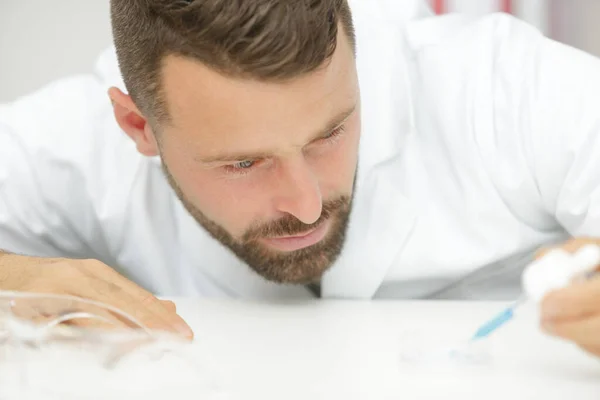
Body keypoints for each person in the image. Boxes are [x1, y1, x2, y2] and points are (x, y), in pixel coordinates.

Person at [0, 0, 599, 356]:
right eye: (242, 163)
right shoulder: (79, 143)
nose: (308, 205)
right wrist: (13, 275)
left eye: (330, 134)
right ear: (138, 126)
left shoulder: (498, 88)